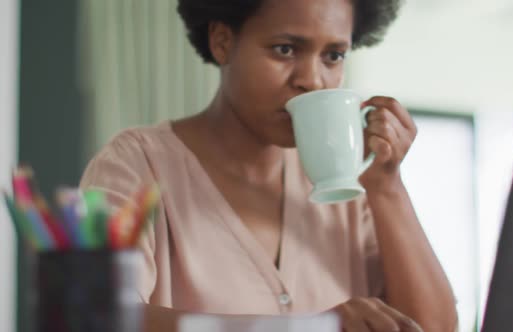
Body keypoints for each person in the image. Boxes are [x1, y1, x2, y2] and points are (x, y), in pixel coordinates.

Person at [80, 0, 458, 331]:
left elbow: (434, 328)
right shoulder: (135, 165)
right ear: (223, 41)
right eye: (285, 49)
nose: (312, 80)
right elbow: (100, 318)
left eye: (333, 55)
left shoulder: (350, 187)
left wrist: (387, 186)